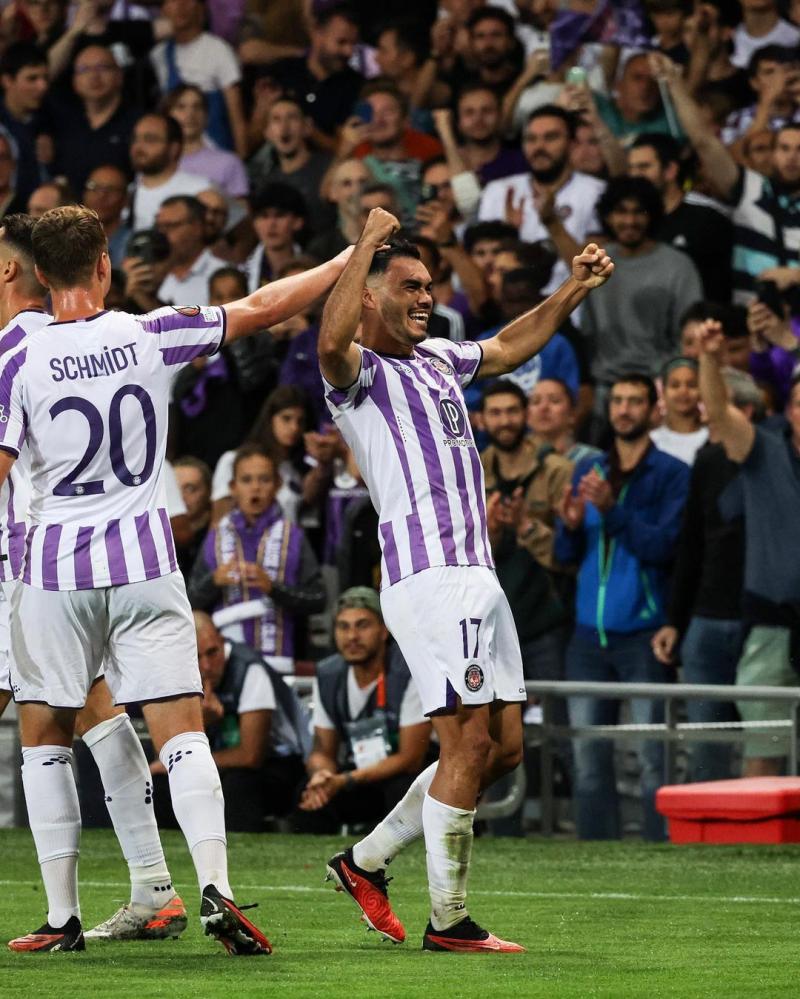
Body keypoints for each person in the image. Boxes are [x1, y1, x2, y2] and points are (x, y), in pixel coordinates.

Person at [0, 204, 353, 953]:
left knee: (45, 733)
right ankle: (216, 884)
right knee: (182, 729)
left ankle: (62, 916)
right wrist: (343, 261)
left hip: (56, 569)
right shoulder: (146, 332)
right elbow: (261, 307)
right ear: (104, 265)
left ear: (37, 275)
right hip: (146, 563)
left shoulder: (16, 359)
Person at [317, 206, 612, 951]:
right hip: (428, 576)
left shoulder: (442, 359)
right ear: (372, 295)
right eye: (408, 285)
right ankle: (449, 920)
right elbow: (328, 339)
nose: (425, 296)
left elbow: (511, 342)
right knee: (466, 744)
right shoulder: (361, 377)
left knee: (503, 748)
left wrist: (573, 287)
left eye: (429, 285)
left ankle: (367, 859)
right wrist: (364, 245)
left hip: (477, 576)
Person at [0, 212, 188, 944]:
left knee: (62, 712)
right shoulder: (46, 341)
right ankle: (154, 885)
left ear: (14, 270)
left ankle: (93, 905)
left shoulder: (22, 344)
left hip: (29, 561)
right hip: (68, 558)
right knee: (92, 708)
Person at [555, 374, 690, 840]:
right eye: (618, 402)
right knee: (589, 761)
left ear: (655, 411)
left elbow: (665, 548)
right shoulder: (588, 473)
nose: (624, 410)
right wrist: (570, 528)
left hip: (643, 634)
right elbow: (568, 558)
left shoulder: (673, 474)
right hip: (587, 637)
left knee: (655, 759)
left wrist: (612, 510)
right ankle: (595, 860)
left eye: (635, 401)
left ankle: (660, 854)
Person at [697, 321, 800, 777]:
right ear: (790, 411)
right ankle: (756, 844)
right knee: (764, 749)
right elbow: (719, 416)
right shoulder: (764, 450)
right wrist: (709, 359)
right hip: (771, 627)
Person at [652, 367, 762, 782]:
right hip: (707, 618)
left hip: (766, 621)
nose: (704, 416)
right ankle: (708, 835)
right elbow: (692, 545)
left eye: (714, 407)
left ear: (746, 410)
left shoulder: (778, 460)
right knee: (704, 742)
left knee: (767, 737)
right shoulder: (707, 459)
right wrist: (674, 621)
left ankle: (763, 836)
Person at [152, 612, 309, 832]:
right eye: (195, 657)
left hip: (278, 764)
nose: (206, 665)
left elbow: (251, 755)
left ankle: (240, 851)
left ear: (222, 640)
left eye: (212, 652)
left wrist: (198, 730)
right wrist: (203, 724)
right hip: (220, 763)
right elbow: (165, 747)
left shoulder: (250, 670)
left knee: (237, 784)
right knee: (162, 785)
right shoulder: (176, 675)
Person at [296, 587, 432, 833]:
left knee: (404, 789)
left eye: (362, 625)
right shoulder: (328, 675)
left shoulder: (408, 671)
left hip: (403, 775)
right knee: (308, 792)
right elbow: (322, 750)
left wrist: (345, 780)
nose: (352, 636)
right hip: (357, 773)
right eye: (343, 627)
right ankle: (313, 865)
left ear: (384, 630)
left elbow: (411, 758)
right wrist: (323, 776)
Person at [188, 443, 325, 674]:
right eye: (247, 480)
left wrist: (273, 588)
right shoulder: (216, 536)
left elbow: (319, 599)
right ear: (233, 487)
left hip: (283, 664)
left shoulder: (294, 535)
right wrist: (214, 581)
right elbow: (188, 602)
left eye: (264, 479)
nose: (256, 488)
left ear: (277, 485)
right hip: (227, 670)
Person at [580, 176, 703, 407]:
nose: (629, 220)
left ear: (652, 215)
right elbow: (588, 334)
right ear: (607, 215)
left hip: (660, 389)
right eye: (621, 211)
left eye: (638, 212)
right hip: (604, 390)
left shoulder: (678, 266)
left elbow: (689, 337)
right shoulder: (596, 264)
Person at [478, 105, 606, 291]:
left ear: (572, 144)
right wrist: (510, 235)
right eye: (531, 139)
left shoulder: (596, 193)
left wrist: (551, 222)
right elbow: (486, 273)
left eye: (550, 137)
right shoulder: (498, 192)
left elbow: (592, 274)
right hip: (513, 308)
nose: (539, 147)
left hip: (572, 309)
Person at [627, 132, 733, 303]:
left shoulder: (708, 217)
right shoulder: (634, 223)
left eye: (644, 167)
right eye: (631, 168)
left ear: (670, 170)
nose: (635, 175)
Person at [150, 0, 247, 157]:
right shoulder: (158, 55)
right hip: (175, 157)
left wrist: (240, 160)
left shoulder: (219, 50)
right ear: (163, 9)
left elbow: (236, 117)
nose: (180, 6)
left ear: (201, 8)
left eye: (188, 1)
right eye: (173, 1)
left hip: (215, 153)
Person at [263, 5, 363, 148]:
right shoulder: (282, 71)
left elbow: (346, 148)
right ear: (317, 35)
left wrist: (307, 129)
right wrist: (261, 111)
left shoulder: (356, 86)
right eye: (341, 42)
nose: (349, 52)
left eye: (353, 44)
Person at [49, 43, 139, 195]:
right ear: (75, 82)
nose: (94, 76)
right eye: (84, 70)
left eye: (103, 68)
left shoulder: (138, 124)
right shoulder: (63, 124)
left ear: (119, 76)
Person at [250, 94, 333, 233]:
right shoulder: (265, 182)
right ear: (267, 132)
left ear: (307, 127)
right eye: (276, 120)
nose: (284, 127)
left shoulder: (328, 167)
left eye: (292, 118)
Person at [129, 111, 212, 231]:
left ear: (174, 148)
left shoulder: (200, 189)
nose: (138, 147)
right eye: (135, 139)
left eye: (150, 139)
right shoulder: (127, 192)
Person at [162, 83, 249, 199]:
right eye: (181, 107)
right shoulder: (155, 163)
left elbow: (241, 212)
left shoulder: (229, 163)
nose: (190, 114)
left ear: (206, 116)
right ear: (168, 115)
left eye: (197, 107)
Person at [156, 194, 228, 305]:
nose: (162, 234)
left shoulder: (222, 274)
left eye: (171, 226)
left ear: (197, 227)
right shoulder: (153, 274)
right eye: (160, 227)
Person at [0, 43, 49, 203]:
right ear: (7, 80)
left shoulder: (52, 122)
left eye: (45, 78)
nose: (42, 86)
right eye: (32, 79)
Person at [527, 378, 602, 465]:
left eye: (554, 401)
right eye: (536, 402)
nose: (543, 407)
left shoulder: (593, 459)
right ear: (527, 415)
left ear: (572, 414)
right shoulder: (516, 459)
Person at [650, 357, 709, 465]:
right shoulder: (651, 441)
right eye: (675, 385)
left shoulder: (712, 439)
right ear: (663, 391)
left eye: (691, 385)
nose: (683, 391)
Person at [82, 164, 130, 268]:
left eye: (111, 190)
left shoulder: (132, 245)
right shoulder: (69, 241)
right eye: (94, 187)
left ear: (125, 199)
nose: (101, 196)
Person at [173, 455, 212, 578]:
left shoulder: (220, 535)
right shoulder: (157, 537)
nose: (181, 497)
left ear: (209, 492)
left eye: (190, 489)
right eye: (174, 490)